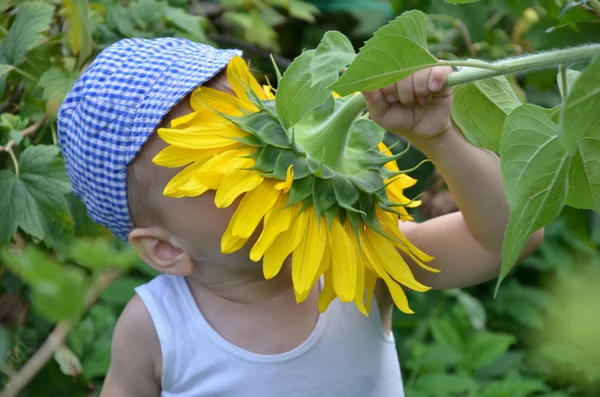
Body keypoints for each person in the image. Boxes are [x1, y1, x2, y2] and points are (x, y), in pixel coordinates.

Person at [57, 38, 543, 397]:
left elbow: (507, 239)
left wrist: (440, 139)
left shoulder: (354, 260)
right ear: (167, 249)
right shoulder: (156, 329)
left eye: (264, 121)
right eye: (226, 166)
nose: (276, 156)